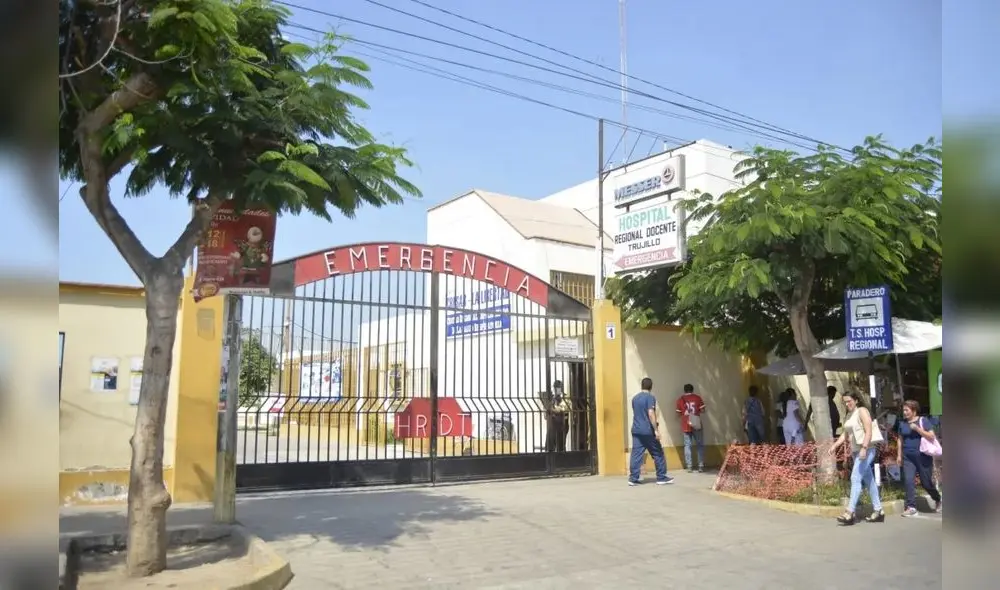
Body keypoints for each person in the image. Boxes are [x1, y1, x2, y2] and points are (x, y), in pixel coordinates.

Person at [829, 391, 885, 525]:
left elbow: (869, 430)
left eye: (849, 401)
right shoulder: (849, 415)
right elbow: (845, 435)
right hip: (856, 451)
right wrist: (835, 445)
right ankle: (878, 511)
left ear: (856, 400)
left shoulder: (862, 411)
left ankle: (850, 512)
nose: (847, 403)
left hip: (866, 449)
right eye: (845, 402)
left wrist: (864, 448)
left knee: (855, 478)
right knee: (869, 480)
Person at [895, 399, 942, 516]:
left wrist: (917, 429)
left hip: (923, 456)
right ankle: (911, 507)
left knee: (926, 483)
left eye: (907, 410)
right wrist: (899, 455)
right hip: (907, 457)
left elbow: (931, 436)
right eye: (903, 410)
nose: (904, 412)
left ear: (914, 411)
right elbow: (900, 440)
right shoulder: (902, 423)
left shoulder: (923, 421)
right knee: (908, 481)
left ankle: (937, 499)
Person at [628, 377, 673, 486]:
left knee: (636, 454)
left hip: (636, 429)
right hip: (647, 430)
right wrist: (656, 430)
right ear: (651, 386)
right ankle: (661, 477)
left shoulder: (635, 398)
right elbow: (650, 413)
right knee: (658, 453)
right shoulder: (650, 398)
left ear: (641, 385)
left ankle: (633, 478)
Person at [676, 383, 706, 472]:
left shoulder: (680, 399)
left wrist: (685, 414)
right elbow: (703, 410)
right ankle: (700, 465)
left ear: (684, 390)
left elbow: (678, 413)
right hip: (696, 423)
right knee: (699, 445)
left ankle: (689, 466)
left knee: (687, 445)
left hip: (686, 424)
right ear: (692, 390)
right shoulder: (697, 398)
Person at [545, 380, 570, 452]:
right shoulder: (552, 399)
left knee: (560, 447)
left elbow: (561, 410)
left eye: (558, 388)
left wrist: (552, 409)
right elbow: (546, 413)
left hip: (562, 425)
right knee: (550, 447)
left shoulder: (565, 398)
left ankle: (560, 461)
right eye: (555, 388)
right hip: (552, 425)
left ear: (561, 388)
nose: (556, 390)